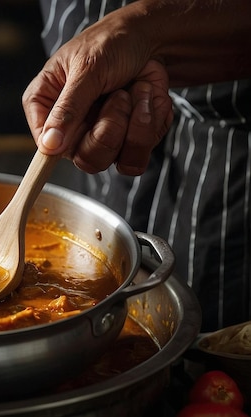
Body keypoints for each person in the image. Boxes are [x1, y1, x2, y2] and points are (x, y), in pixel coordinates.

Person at [22, 0, 251, 331]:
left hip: (229, 164)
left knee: (213, 344)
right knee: (106, 321)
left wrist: (146, 31)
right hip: (95, 120)